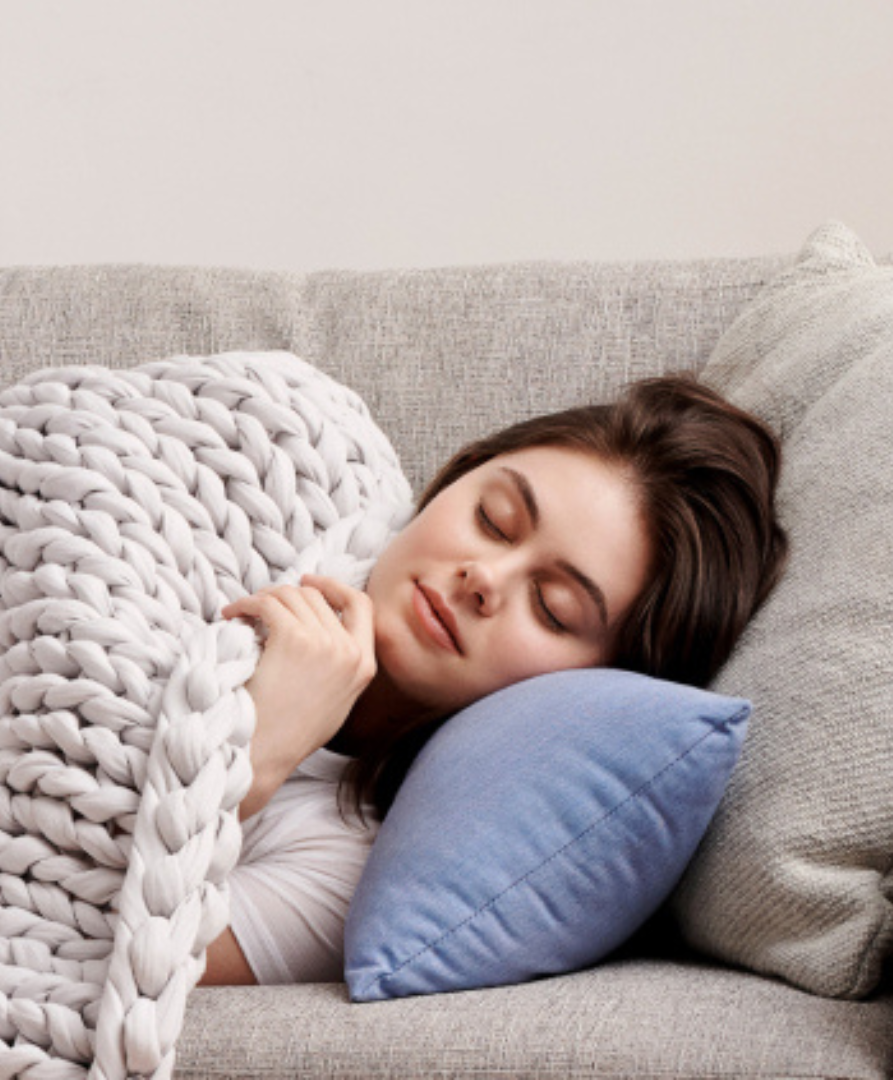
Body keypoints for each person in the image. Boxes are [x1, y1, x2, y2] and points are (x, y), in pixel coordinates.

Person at [198, 374, 790, 987]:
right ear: (458, 475)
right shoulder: (258, 503)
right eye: (494, 519)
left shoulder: (342, 869)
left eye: (553, 608)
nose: (484, 577)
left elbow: (134, 955)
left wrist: (254, 761)